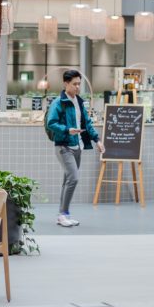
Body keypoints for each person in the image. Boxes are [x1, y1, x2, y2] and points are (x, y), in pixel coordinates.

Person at [44, 69, 104, 227]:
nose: (77, 87)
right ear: (66, 84)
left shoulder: (79, 101)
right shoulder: (58, 102)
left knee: (68, 180)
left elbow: (87, 122)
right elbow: (51, 123)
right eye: (74, 84)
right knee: (74, 178)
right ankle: (63, 213)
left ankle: (63, 214)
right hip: (64, 146)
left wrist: (97, 139)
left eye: (79, 84)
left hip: (78, 145)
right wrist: (66, 130)